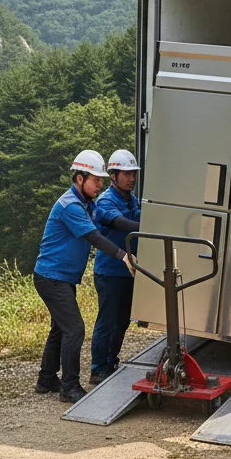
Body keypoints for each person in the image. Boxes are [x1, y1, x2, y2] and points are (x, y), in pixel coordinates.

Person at [33, 150, 135, 402]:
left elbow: (108, 220)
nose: (99, 185)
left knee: (60, 328)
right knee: (75, 329)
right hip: (51, 277)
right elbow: (94, 236)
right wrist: (123, 255)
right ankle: (69, 387)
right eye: (95, 180)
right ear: (80, 178)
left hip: (61, 277)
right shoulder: (71, 205)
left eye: (101, 180)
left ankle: (47, 379)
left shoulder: (88, 204)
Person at [89, 149, 142, 384]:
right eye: (126, 174)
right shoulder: (106, 201)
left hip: (129, 272)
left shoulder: (133, 199)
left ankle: (111, 361)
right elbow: (120, 223)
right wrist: (150, 226)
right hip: (109, 272)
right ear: (113, 175)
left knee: (122, 321)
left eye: (134, 174)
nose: (131, 178)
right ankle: (98, 369)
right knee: (107, 322)